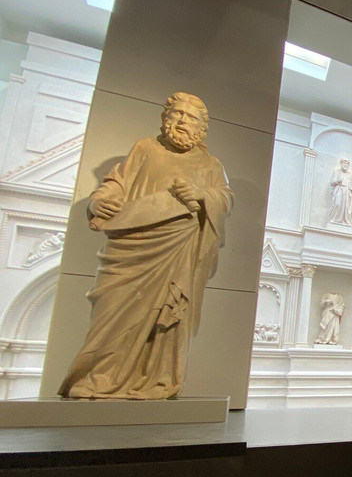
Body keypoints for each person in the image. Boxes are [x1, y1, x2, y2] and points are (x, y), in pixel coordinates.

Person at [59, 92, 233, 399]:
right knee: (111, 313)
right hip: (131, 245)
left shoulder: (211, 165)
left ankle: (156, 380)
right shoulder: (145, 149)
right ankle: (97, 377)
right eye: (177, 114)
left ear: (202, 128)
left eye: (190, 117)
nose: (182, 121)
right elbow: (116, 183)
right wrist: (99, 201)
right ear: (165, 118)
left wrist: (202, 194)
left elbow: (225, 198)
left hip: (178, 251)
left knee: (166, 319)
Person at [328, 158, 352, 226]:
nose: (345, 165)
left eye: (347, 164)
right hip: (339, 189)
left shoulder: (350, 175)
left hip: (347, 192)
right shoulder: (336, 172)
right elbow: (332, 183)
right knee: (337, 204)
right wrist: (337, 181)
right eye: (344, 163)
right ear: (341, 164)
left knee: (346, 207)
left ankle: (345, 220)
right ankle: (334, 219)